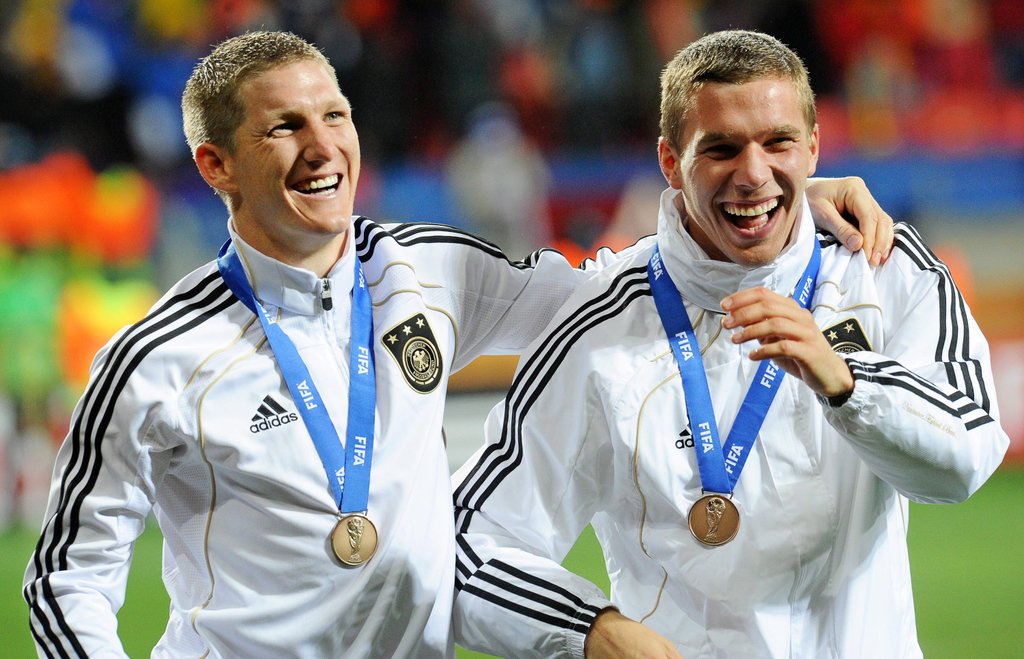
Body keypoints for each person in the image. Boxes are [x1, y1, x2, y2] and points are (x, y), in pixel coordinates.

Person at [22, 30, 893, 658]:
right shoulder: (156, 357)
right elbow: (67, 579)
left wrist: (766, 207)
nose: (324, 148)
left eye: (335, 115)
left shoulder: (427, 271)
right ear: (216, 165)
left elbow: (602, 289)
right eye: (284, 127)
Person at [450, 30, 1009, 659]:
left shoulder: (882, 268)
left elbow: (968, 455)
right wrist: (589, 629)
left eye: (778, 143)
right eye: (721, 149)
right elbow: (467, 541)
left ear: (814, 147)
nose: (753, 174)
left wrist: (849, 383)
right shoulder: (601, 326)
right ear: (670, 161)